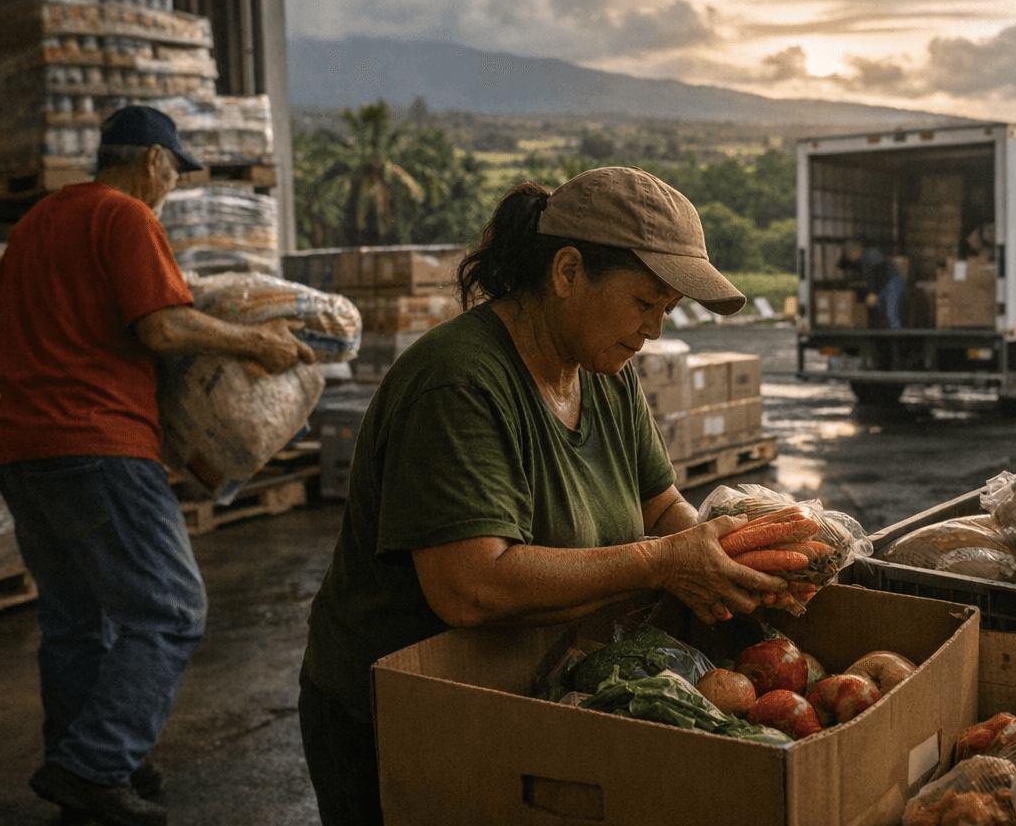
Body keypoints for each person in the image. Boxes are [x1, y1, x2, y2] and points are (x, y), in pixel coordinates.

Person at [298, 167, 796, 825]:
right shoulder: (459, 385)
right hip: (400, 712)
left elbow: (662, 506)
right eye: (644, 303)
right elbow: (471, 586)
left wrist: (734, 550)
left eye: (667, 313)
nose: (652, 329)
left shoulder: (605, 373)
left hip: (518, 688)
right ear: (567, 272)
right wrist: (666, 562)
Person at [0, 105, 315, 826]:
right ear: (152, 163)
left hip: (21, 449)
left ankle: (84, 755)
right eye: (174, 172)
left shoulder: (34, 225)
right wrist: (255, 345)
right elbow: (162, 325)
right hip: (99, 444)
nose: (171, 187)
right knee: (171, 609)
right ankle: (95, 763)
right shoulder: (128, 217)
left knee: (77, 619)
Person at [839, 242, 905, 330]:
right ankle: (881, 340)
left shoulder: (871, 253)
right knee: (875, 309)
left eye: (849, 256)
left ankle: (897, 342)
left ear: (854, 251)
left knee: (891, 314)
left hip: (892, 283)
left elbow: (881, 272)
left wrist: (874, 293)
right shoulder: (861, 261)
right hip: (883, 286)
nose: (850, 259)